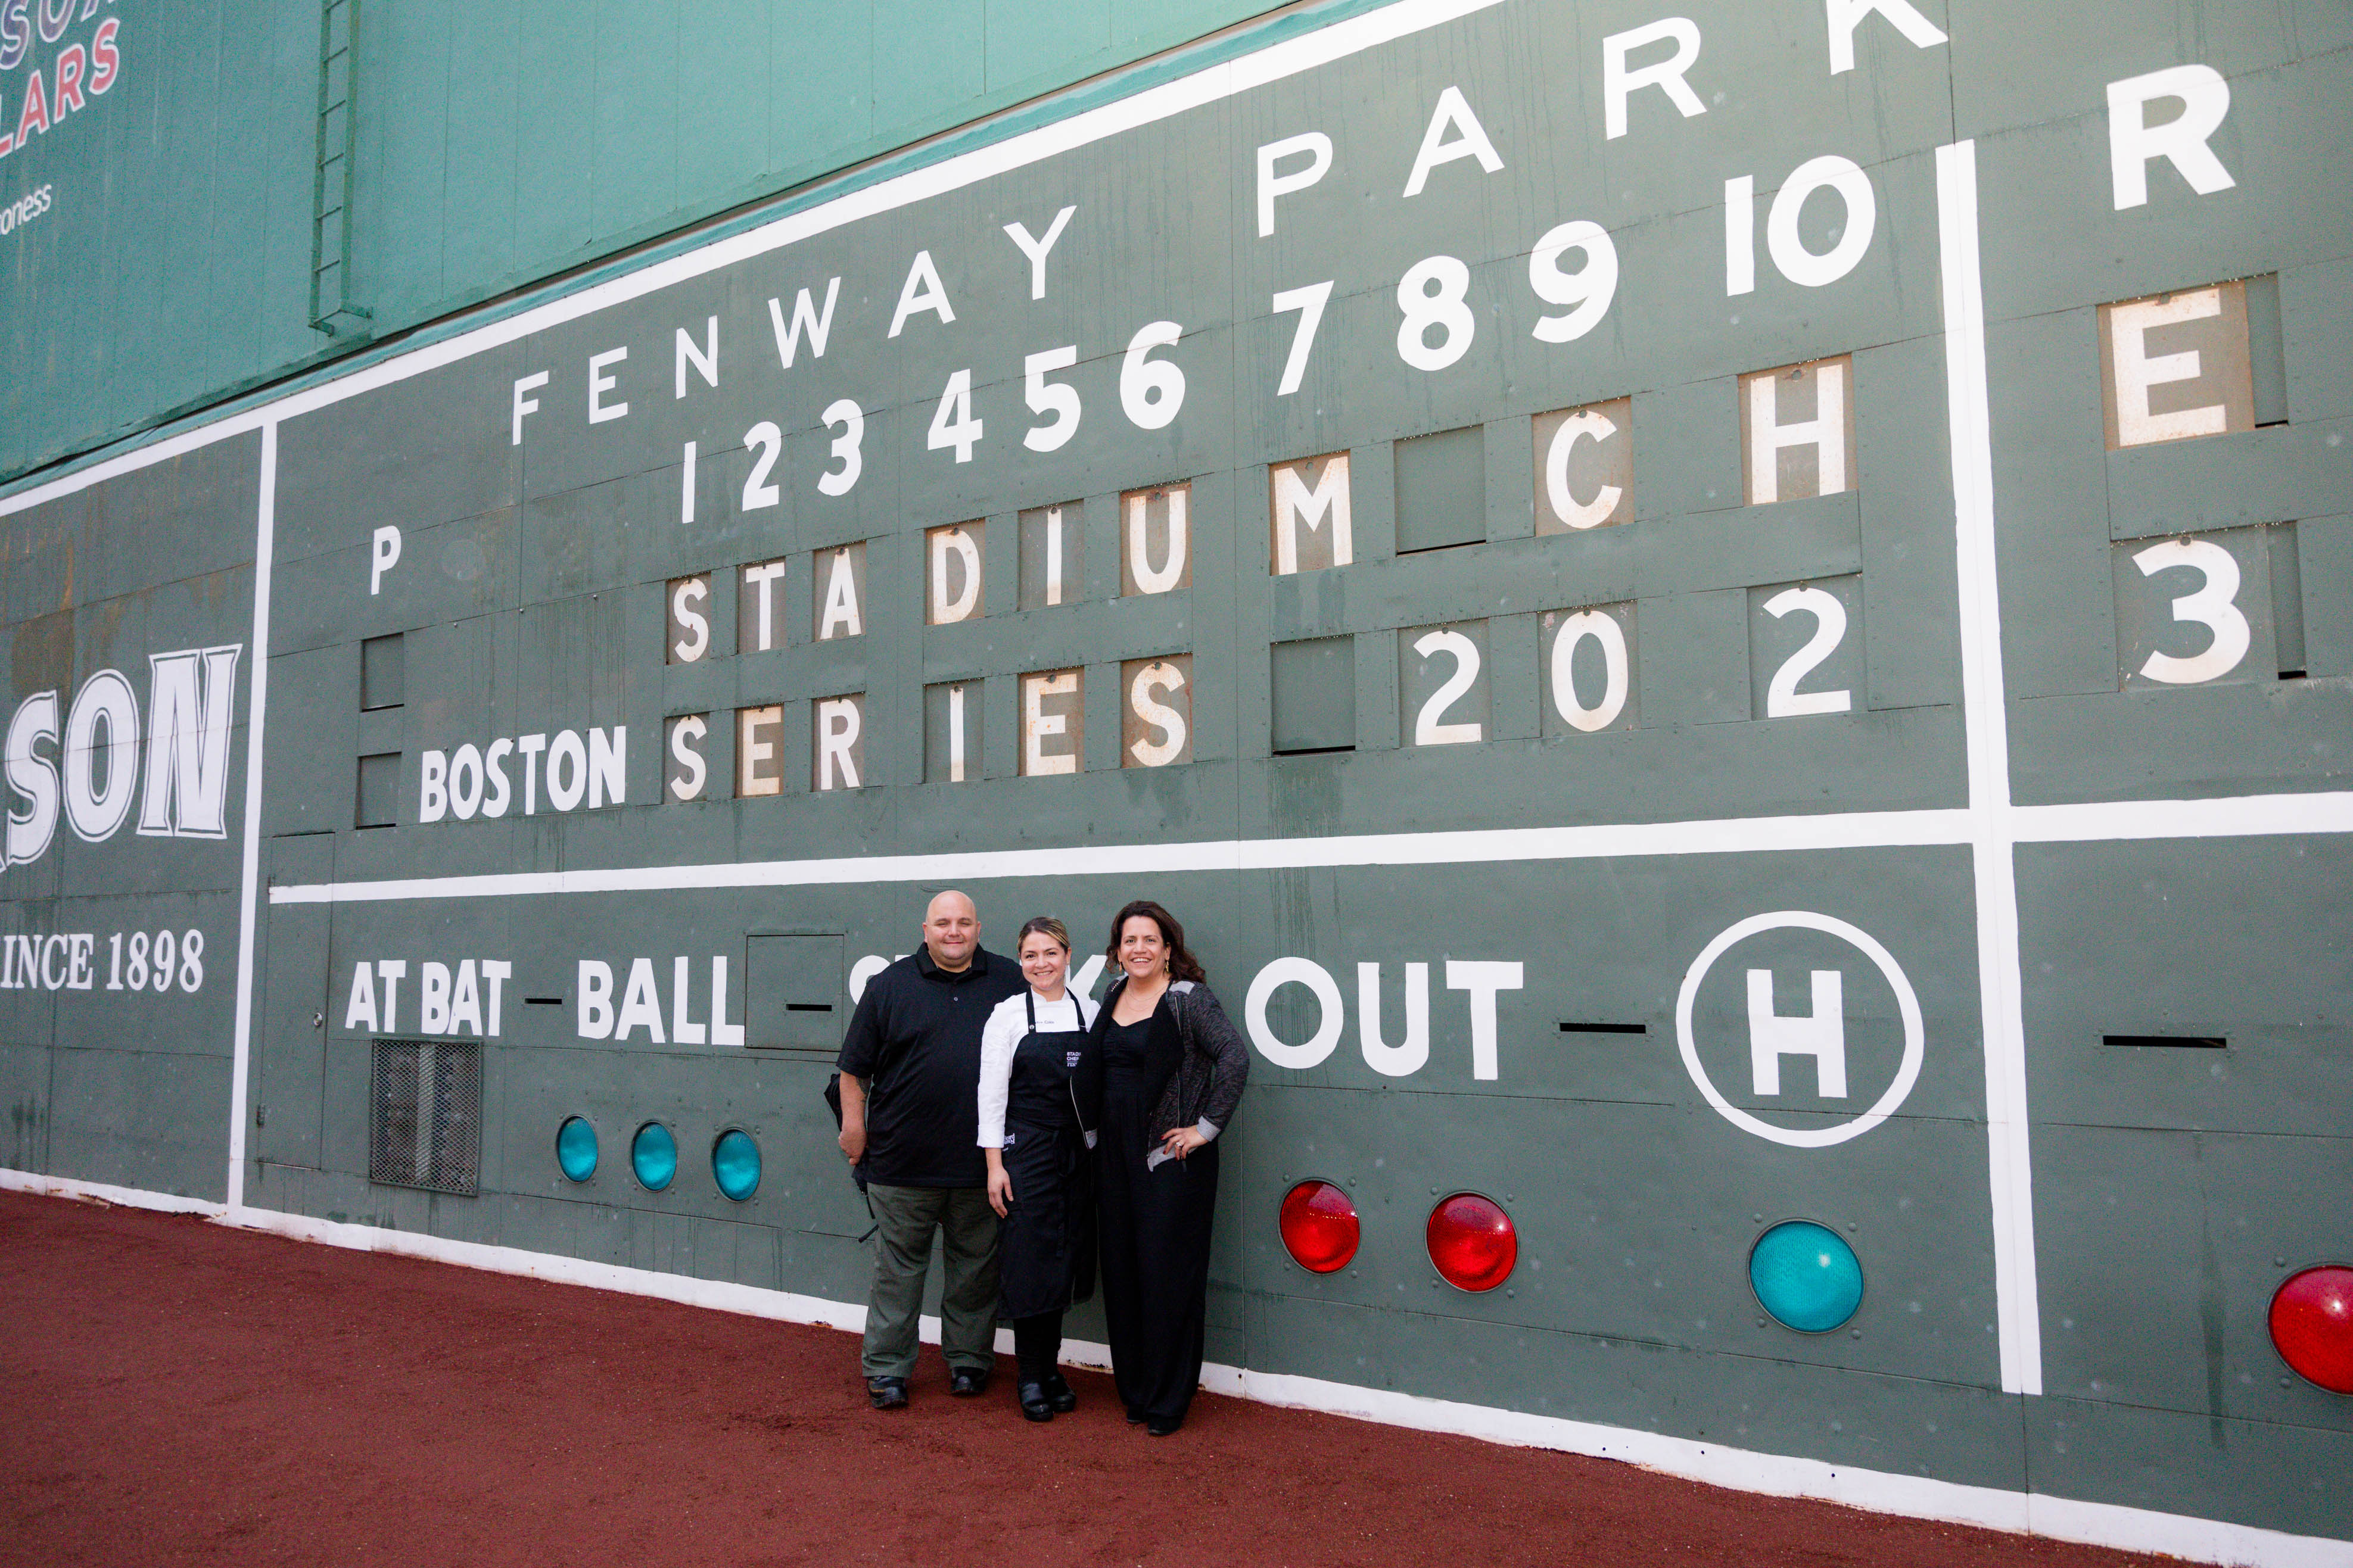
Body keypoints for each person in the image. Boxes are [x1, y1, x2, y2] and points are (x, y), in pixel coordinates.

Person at [835, 889, 1025, 1410]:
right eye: (943, 922)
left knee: (975, 1271)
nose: (954, 931)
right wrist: (854, 1128)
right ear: (926, 930)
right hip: (901, 1165)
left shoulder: (1011, 981)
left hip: (981, 1166)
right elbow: (854, 1070)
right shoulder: (888, 986)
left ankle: (968, 1362)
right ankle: (887, 1370)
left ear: (979, 928)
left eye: (964, 922)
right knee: (898, 1275)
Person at [1084, 899, 1249, 1436]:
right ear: (1116, 951)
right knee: (1124, 1269)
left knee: (1167, 1274)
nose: (1139, 949)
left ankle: (1169, 1398)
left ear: (1168, 949)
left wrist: (1204, 1128)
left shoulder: (1187, 999)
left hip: (1168, 1158)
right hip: (1113, 1154)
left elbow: (1234, 1057)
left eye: (1149, 940)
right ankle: (1136, 1390)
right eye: (1129, 940)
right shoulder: (1111, 994)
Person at [975, 917, 1098, 1422]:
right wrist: (994, 1167)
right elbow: (990, 1096)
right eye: (1030, 954)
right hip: (1025, 1151)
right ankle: (1030, 1375)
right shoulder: (1006, 1016)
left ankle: (1051, 1370)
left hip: (1078, 1155)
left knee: (1065, 1260)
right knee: (1030, 1262)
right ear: (1020, 960)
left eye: (1050, 952)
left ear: (1068, 955)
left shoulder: (1090, 1011)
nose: (1040, 963)